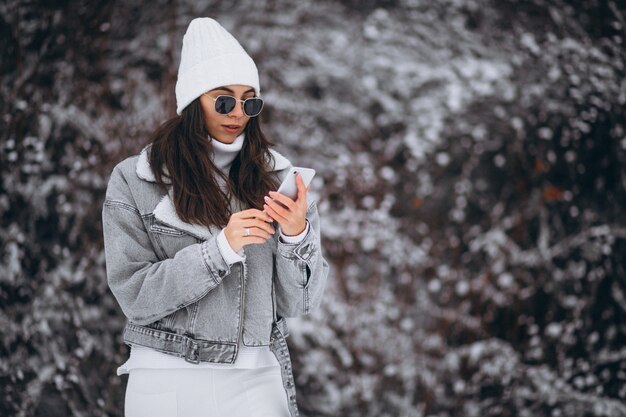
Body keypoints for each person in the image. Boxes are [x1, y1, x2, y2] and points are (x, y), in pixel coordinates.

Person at [101, 17, 329, 417]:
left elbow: (300, 303)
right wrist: (220, 249)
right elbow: (135, 293)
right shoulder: (136, 179)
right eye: (224, 100)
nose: (238, 112)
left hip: (256, 379)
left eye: (249, 101)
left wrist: (297, 237)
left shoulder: (278, 178)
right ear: (194, 101)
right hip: (168, 375)